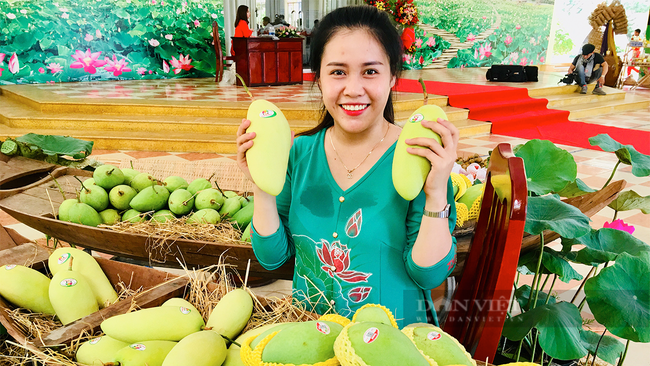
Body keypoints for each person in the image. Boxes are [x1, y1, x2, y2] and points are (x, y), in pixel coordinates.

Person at [236, 5, 458, 327]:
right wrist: (261, 184)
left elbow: (428, 273)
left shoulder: (417, 157)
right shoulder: (298, 153)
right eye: (338, 72)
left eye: (370, 71)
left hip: (392, 341)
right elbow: (272, 258)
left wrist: (436, 193)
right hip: (312, 341)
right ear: (319, 79)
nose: (353, 89)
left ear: (393, 76)